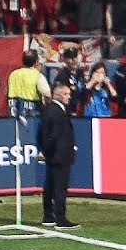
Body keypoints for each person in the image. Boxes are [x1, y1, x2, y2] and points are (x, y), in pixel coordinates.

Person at [39, 83, 79, 230]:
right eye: (66, 94)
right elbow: (53, 135)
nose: (69, 97)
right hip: (60, 155)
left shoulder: (49, 110)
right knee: (60, 188)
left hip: (54, 155)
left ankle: (48, 216)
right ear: (58, 95)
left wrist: (45, 151)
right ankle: (60, 219)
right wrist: (50, 151)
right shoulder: (57, 112)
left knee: (50, 185)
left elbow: (42, 134)